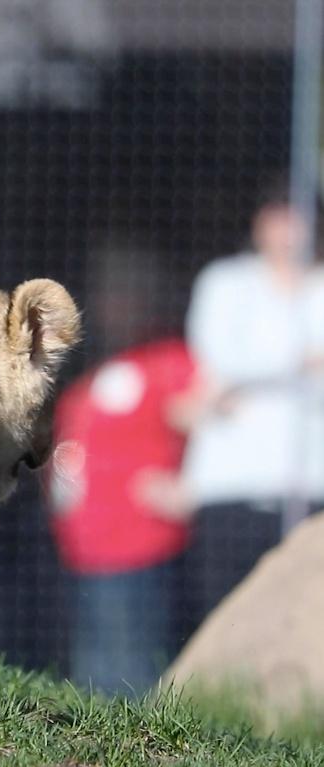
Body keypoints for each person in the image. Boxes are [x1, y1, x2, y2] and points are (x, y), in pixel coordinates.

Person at [47, 242, 201, 695]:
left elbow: (215, 418)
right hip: (84, 551)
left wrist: (192, 486)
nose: (111, 306)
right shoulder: (95, 376)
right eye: (106, 294)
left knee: (132, 668)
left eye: (124, 293)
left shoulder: (171, 363)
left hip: (140, 547)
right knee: (93, 667)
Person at [181, 175, 324, 628]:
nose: (288, 231)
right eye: (278, 217)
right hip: (232, 487)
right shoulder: (225, 282)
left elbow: (237, 370)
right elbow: (221, 356)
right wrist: (301, 360)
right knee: (227, 617)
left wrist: (246, 380)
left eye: (298, 218)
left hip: (312, 484)